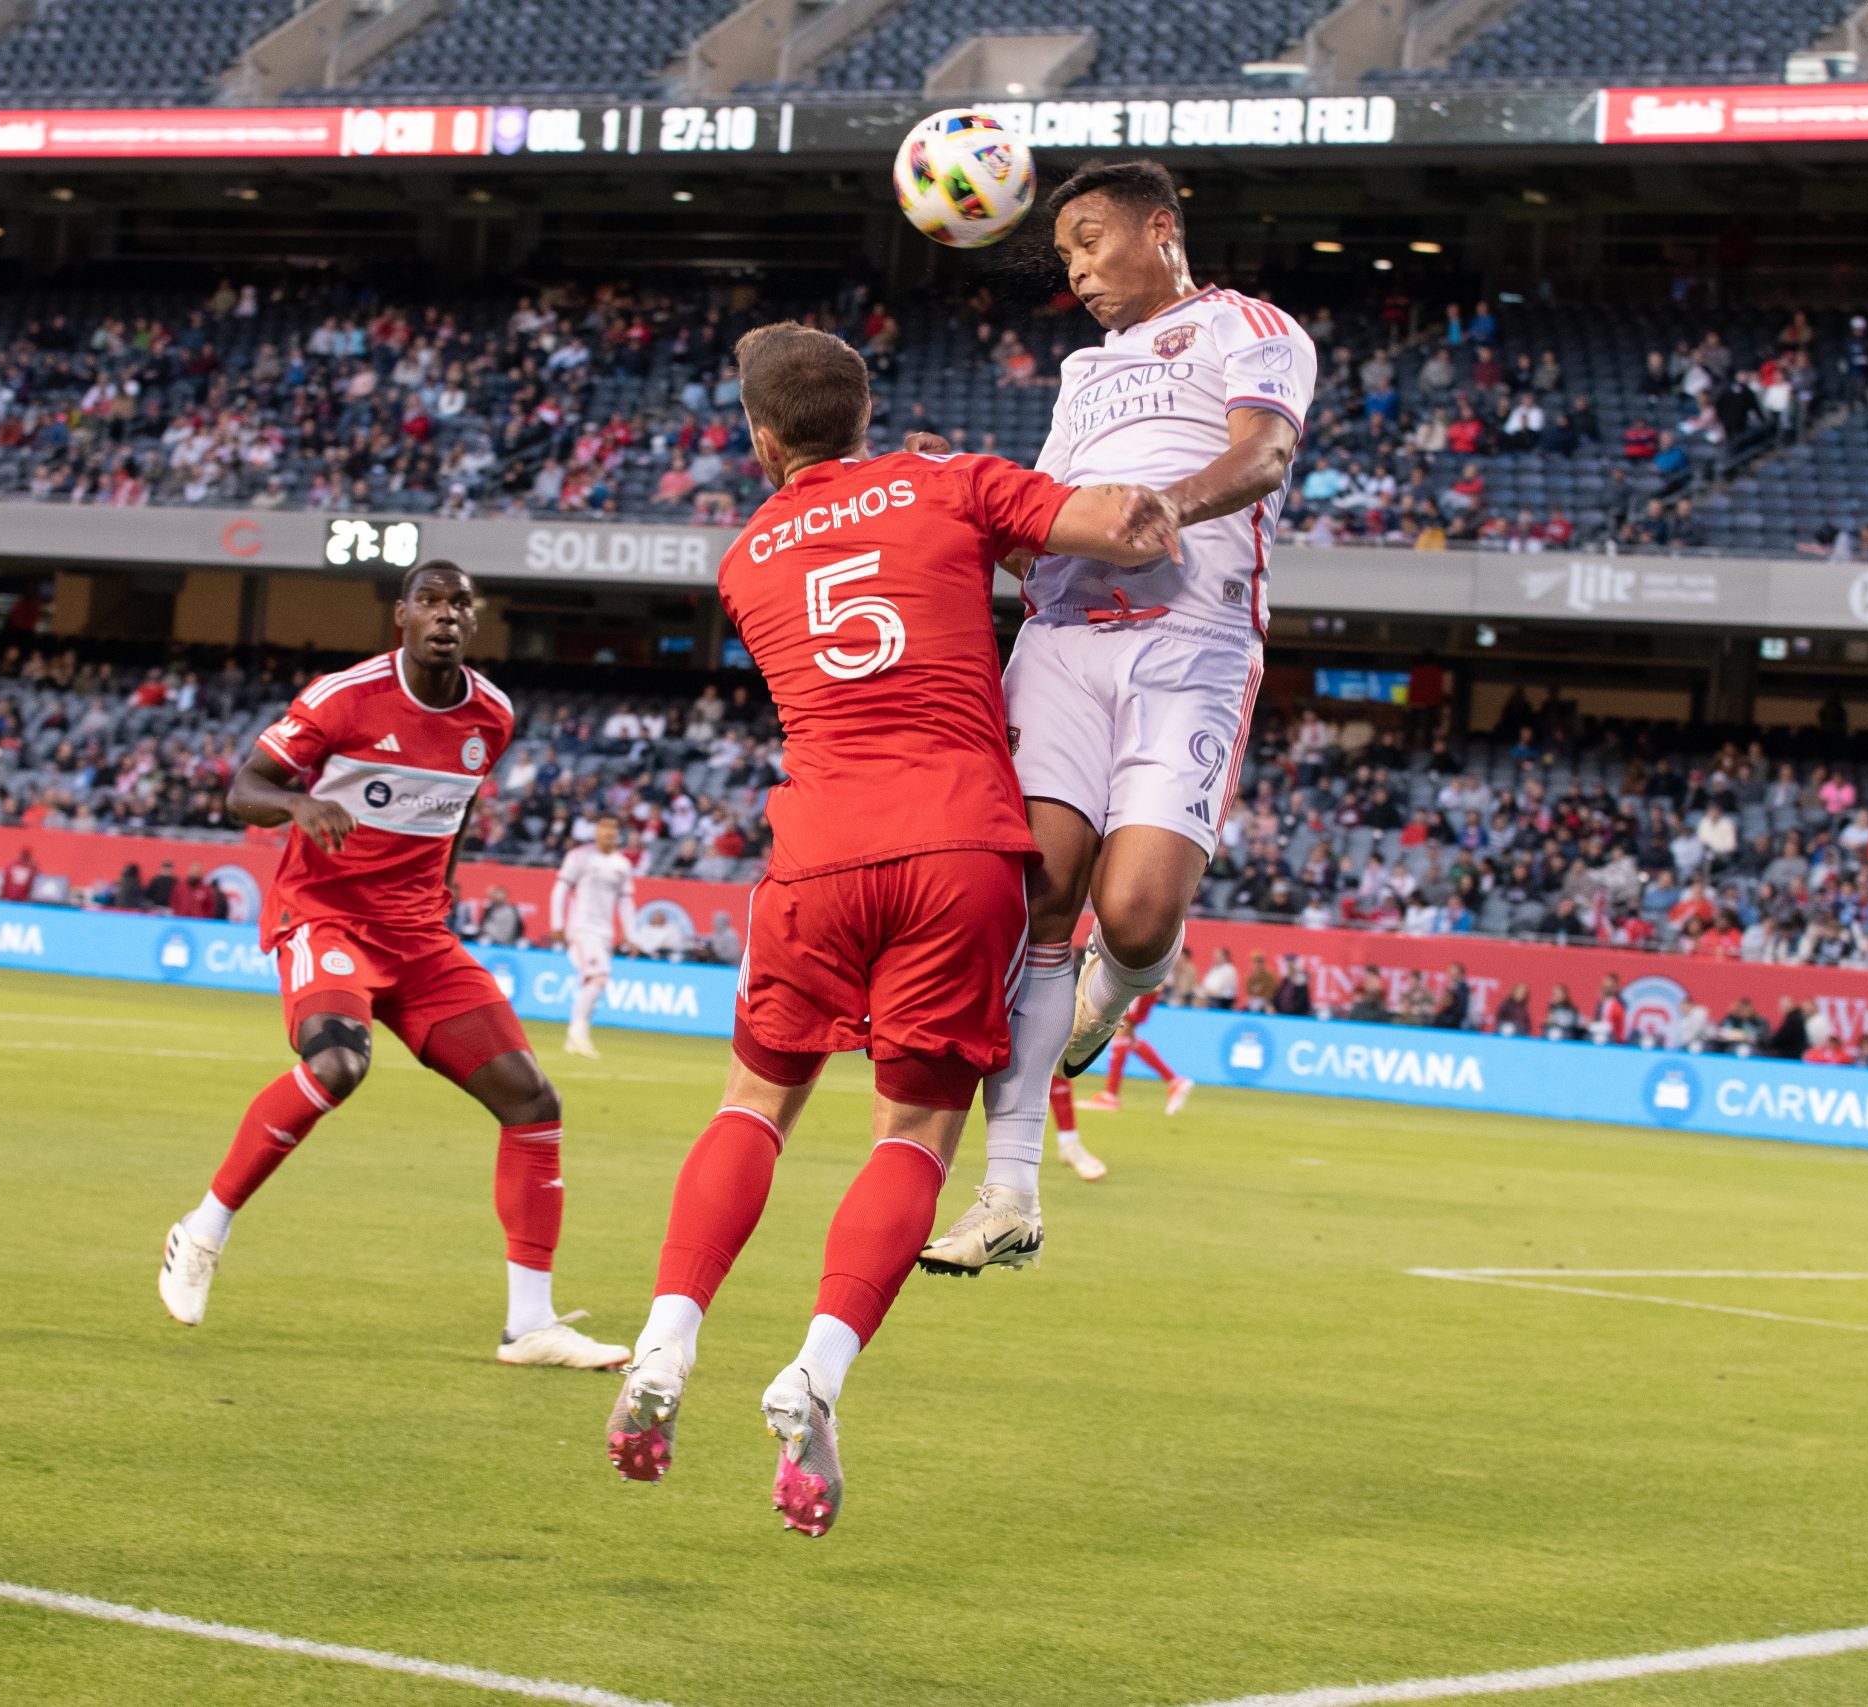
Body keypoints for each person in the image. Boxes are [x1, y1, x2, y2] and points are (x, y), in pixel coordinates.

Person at [602, 322, 1177, 1534]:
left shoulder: (746, 557)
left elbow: (851, 548)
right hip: (960, 850)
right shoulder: (949, 481)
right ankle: (814, 1371)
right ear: (868, 415)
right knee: (911, 1135)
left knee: (752, 1106)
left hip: (817, 853)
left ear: (762, 440)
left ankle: (664, 1339)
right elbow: (1123, 529)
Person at [918, 157, 1312, 1275]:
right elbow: (1044, 511)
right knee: (1037, 898)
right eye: (1066, 256)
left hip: (1190, 640)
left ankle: (1118, 987)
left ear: (1160, 228)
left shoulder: (1251, 323)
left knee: (1134, 917)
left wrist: (1162, 510)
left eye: (1092, 242)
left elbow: (1266, 452)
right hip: (1062, 645)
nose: (1079, 270)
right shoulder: (1082, 371)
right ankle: (1008, 1193)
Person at [155, 563, 628, 1373]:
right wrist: (299, 804)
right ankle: (203, 1229)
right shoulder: (344, 697)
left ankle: (530, 1324)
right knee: (338, 1062)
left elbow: (464, 796)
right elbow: (246, 788)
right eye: (432, 602)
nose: (447, 615)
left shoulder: (493, 714)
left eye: (461, 605)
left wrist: (445, 876)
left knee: (532, 1099)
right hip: (326, 915)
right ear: (402, 615)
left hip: (419, 936)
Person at [550, 813, 636, 1057]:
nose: (609, 833)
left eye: (613, 829)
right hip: (582, 929)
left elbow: (626, 902)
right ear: (596, 831)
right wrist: (557, 923)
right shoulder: (579, 857)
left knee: (592, 981)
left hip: (604, 933)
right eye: (604, 828)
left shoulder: (622, 864)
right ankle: (578, 1033)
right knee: (598, 978)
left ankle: (574, 1037)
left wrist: (631, 934)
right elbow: (560, 889)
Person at [1082, 989, 1195, 1121]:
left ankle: (1110, 1096)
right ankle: (1174, 1082)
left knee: (1122, 1028)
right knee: (1129, 1036)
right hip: (1146, 979)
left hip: (1139, 981)